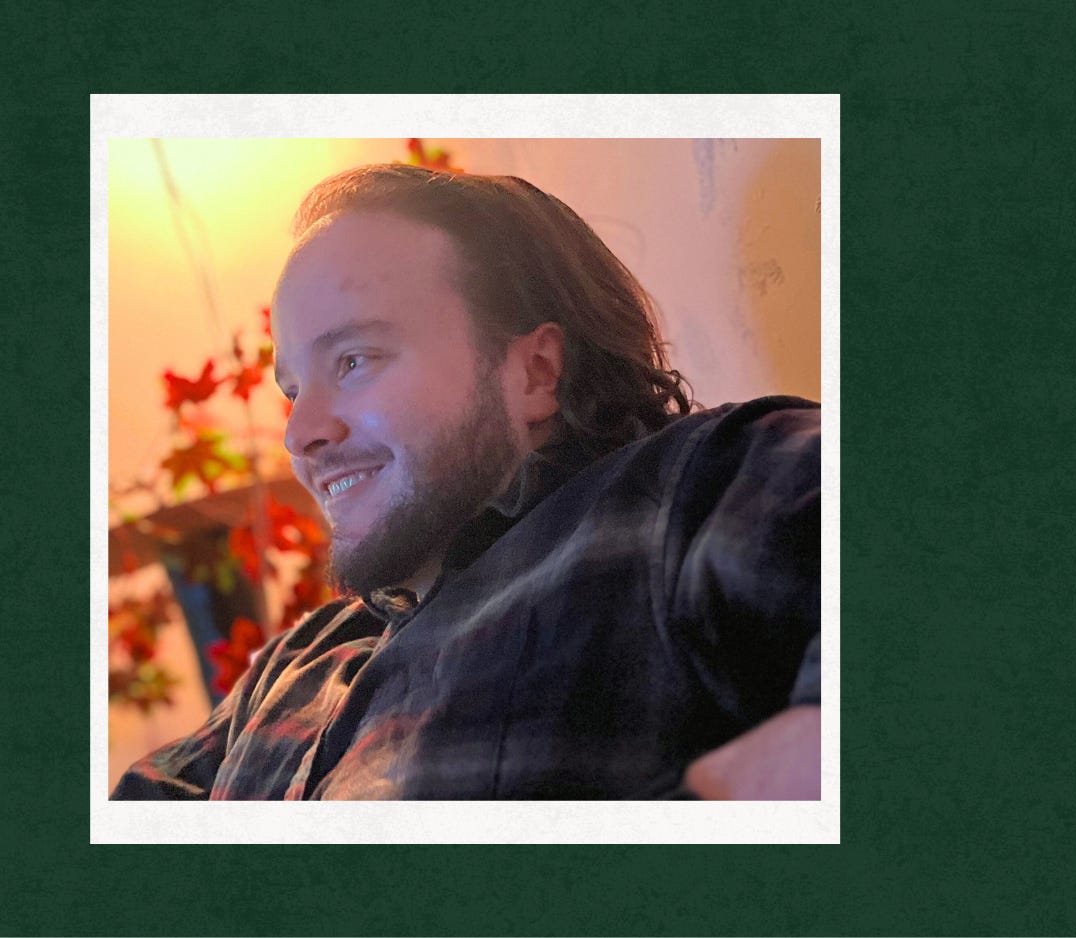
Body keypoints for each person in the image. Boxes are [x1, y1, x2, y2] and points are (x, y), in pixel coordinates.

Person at [112, 164, 821, 801]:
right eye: (294, 390)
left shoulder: (685, 494)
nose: (301, 435)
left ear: (534, 372)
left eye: (354, 361)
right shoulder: (290, 666)